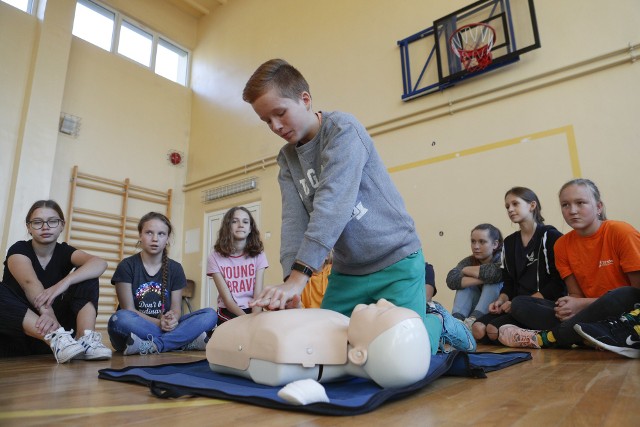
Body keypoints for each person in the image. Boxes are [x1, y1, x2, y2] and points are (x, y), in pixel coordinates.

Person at [242, 59, 430, 335]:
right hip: (348, 272)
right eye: (266, 121)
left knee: (404, 352)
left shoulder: (343, 130)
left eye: (280, 113)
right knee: (328, 345)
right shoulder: (287, 159)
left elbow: (332, 206)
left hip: (396, 260)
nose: (276, 126)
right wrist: (290, 285)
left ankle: (440, 323)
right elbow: (294, 220)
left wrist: (299, 278)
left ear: (305, 99)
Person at [498, 179, 640, 352]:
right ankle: (595, 335)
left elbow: (636, 294)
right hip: (586, 315)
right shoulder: (562, 245)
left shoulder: (621, 232)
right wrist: (569, 306)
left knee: (624, 293)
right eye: (565, 205)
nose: (572, 211)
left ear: (599, 207)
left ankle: (547, 338)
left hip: (624, 310)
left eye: (581, 203)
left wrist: (581, 305)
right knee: (520, 304)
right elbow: (575, 294)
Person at [207, 299, 431, 389]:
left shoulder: (290, 348)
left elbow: (275, 353)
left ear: (359, 355)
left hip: (231, 337)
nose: (382, 301)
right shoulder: (342, 322)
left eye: (383, 313)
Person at [0, 200, 111, 363]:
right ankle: (55, 336)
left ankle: (85, 340)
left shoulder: (65, 251)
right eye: (37, 222)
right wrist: (50, 318)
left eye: (52, 221)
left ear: (61, 225)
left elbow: (100, 263)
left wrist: (64, 282)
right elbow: (29, 282)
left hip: (65, 343)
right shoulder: (18, 249)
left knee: (87, 274)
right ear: (29, 227)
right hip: (22, 335)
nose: (45, 226)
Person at [108, 212, 217, 355]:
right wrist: (160, 323)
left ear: (167, 239)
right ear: (140, 235)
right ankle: (181, 342)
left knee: (210, 314)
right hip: (136, 329)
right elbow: (129, 309)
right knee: (119, 318)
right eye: (149, 233)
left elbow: (176, 309)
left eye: (161, 234)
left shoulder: (175, 268)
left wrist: (173, 319)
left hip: (165, 327)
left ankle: (155, 345)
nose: (155, 239)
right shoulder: (127, 266)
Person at [472, 187, 565, 344]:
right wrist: (501, 300)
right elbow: (509, 283)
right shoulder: (509, 242)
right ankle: (527, 336)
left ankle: (533, 334)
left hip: (541, 304)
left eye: (515, 203)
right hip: (514, 304)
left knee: (493, 329)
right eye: (507, 206)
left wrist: (518, 302)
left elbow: (558, 284)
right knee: (478, 328)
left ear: (532, 205)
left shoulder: (551, 236)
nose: (510, 209)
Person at [207, 207, 268, 324]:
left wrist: (254, 319)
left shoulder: (259, 255)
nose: (240, 225)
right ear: (227, 227)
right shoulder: (214, 257)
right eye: (235, 221)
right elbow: (228, 300)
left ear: (250, 228)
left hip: (254, 308)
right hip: (228, 310)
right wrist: (247, 320)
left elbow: (258, 296)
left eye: (245, 222)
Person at [446, 224, 504, 329]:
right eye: (473, 241)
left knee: (492, 283)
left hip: (497, 309)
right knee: (465, 286)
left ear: (495, 244)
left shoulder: (503, 259)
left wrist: (466, 270)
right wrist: (482, 279)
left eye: (482, 242)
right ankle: (456, 322)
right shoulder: (468, 260)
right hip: (472, 310)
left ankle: (473, 322)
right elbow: (451, 280)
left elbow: (499, 273)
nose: (476, 246)